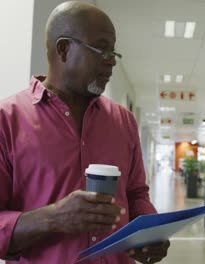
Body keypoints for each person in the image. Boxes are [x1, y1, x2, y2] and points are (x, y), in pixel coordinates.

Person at [0, 2, 169, 263]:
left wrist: (150, 232)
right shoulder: (7, 120)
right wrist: (53, 218)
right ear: (64, 49)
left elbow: (136, 195)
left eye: (113, 50)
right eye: (102, 48)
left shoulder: (123, 120)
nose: (112, 59)